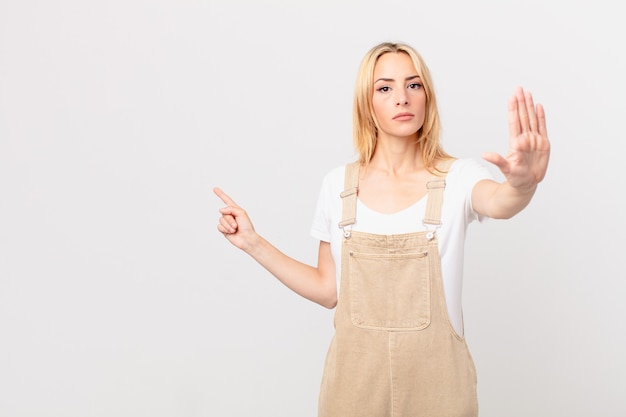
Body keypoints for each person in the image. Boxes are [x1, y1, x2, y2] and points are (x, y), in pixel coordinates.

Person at [213, 41, 550, 417]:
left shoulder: (457, 177)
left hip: (440, 392)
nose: (402, 98)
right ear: (366, 104)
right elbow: (328, 290)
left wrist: (523, 185)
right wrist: (252, 243)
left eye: (414, 85)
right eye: (385, 88)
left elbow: (500, 202)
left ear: (427, 98)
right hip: (352, 392)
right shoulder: (338, 185)